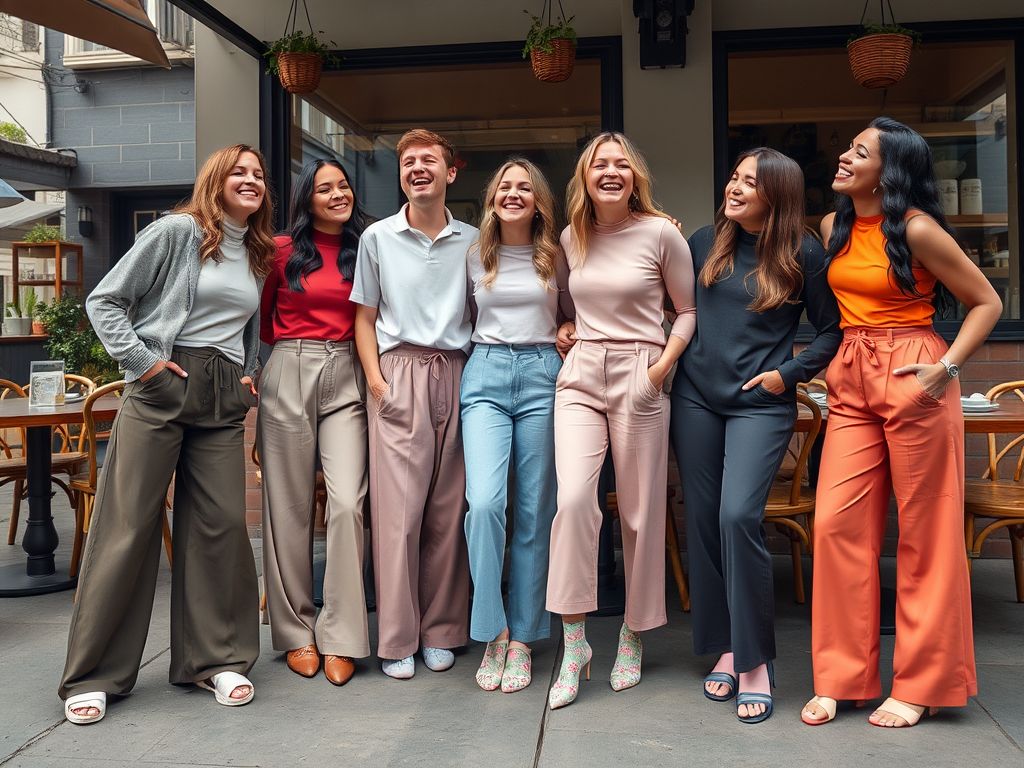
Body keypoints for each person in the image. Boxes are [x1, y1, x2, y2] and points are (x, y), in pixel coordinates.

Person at [59, 144, 274, 724]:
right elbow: (106, 300)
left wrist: (249, 372)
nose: (252, 180)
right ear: (215, 181)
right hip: (163, 383)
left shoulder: (254, 251)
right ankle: (96, 673)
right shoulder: (177, 231)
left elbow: (249, 326)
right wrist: (144, 364)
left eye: (259, 175)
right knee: (128, 526)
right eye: (240, 172)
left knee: (222, 524)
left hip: (222, 395)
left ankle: (216, 659)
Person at [802, 117, 1001, 728]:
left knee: (926, 531)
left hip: (914, 370)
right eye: (849, 147)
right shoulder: (833, 225)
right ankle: (841, 676)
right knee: (836, 523)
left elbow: (986, 301)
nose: (843, 156)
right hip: (853, 374)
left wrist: (944, 367)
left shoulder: (916, 228)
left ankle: (920, 683)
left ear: (888, 173)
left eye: (859, 152)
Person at [670, 148, 841, 724]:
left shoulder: (804, 254)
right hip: (694, 398)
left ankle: (756, 662)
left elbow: (830, 334)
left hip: (759, 403)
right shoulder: (701, 242)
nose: (735, 187)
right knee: (703, 516)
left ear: (777, 195)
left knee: (739, 516)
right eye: (735, 177)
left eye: (750, 182)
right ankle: (725, 646)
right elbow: (665, 300)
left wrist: (785, 375)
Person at [545, 131, 696, 709]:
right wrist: (564, 327)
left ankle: (632, 633)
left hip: (641, 371)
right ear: (584, 176)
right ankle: (576, 642)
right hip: (581, 375)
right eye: (600, 165)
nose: (611, 173)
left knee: (638, 511)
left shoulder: (661, 233)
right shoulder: (570, 236)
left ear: (636, 177)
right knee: (575, 503)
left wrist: (659, 368)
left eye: (622, 165)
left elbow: (686, 311)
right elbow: (566, 304)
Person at [351, 129, 475, 679]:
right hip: (399, 369)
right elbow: (364, 316)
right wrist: (377, 382)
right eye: (407, 161)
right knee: (398, 513)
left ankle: (443, 629)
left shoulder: (476, 240)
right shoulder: (377, 237)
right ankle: (399, 636)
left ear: (452, 172)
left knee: (451, 508)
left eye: (429, 160)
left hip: (461, 370)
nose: (417, 167)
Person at [257, 159, 371, 687]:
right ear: (307, 199)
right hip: (289, 365)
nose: (337, 194)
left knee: (348, 501)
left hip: (348, 368)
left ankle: (344, 635)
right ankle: (297, 631)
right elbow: (258, 318)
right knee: (288, 505)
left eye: (343, 185)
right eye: (324, 188)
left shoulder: (367, 247)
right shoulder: (280, 252)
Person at [463, 158, 571, 693]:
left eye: (524, 187)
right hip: (482, 373)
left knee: (534, 510)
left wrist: (569, 324)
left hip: (542, 376)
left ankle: (525, 638)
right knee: (484, 503)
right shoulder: (473, 254)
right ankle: (492, 630)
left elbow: (577, 309)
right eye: (504, 185)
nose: (513, 193)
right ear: (491, 199)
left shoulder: (558, 254)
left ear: (538, 201)